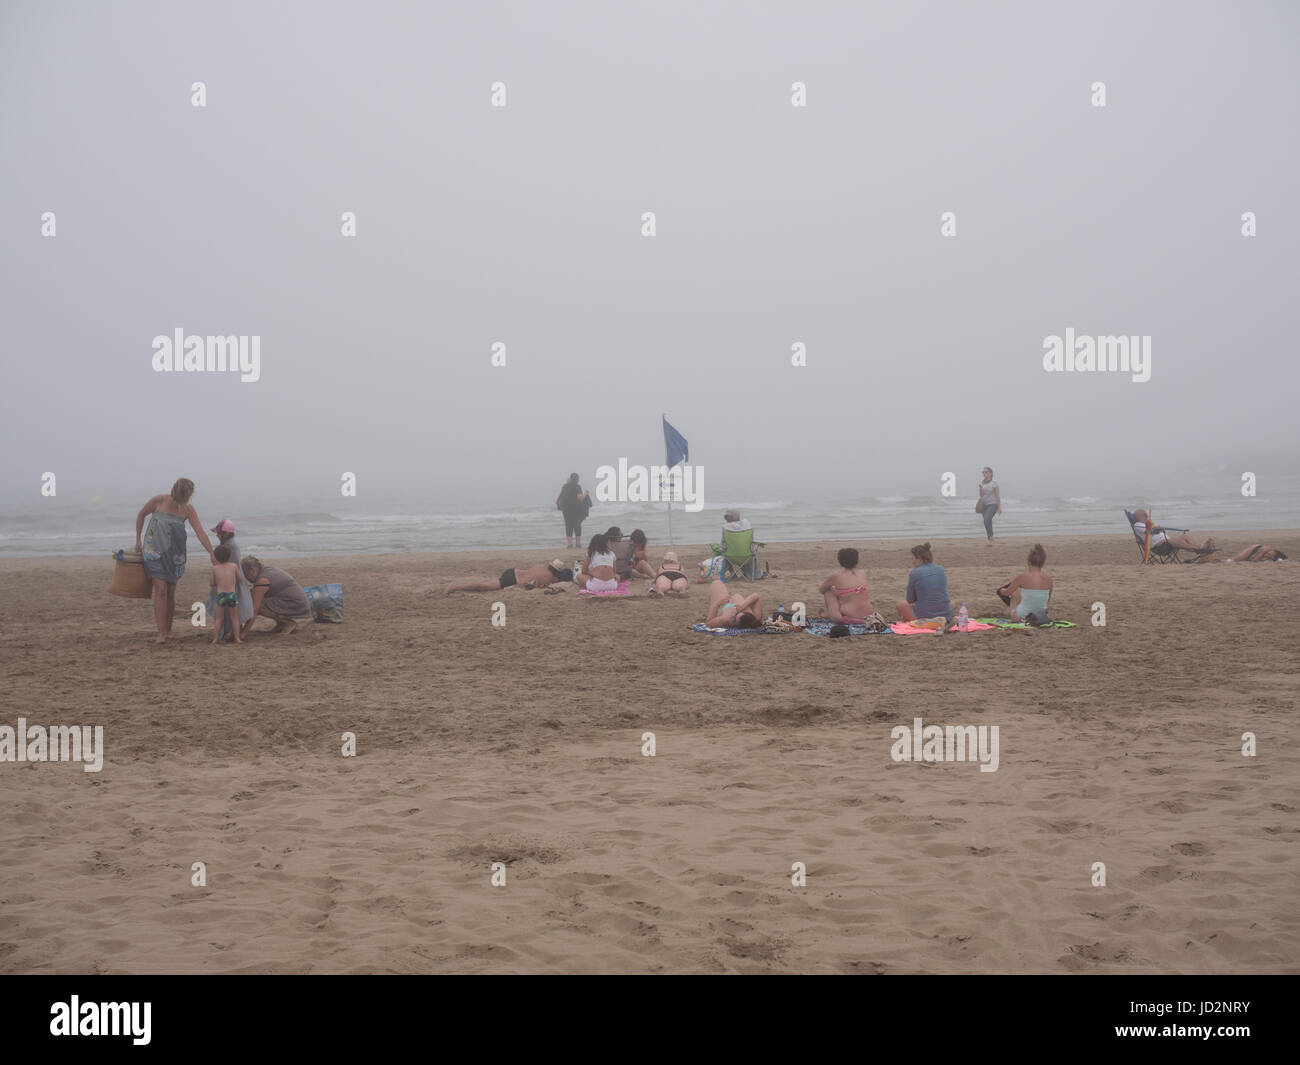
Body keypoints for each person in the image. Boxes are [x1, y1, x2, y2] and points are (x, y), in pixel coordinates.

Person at [135, 478, 215, 643]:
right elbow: (141, 515)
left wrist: (212, 552)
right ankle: (161, 633)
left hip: (175, 554)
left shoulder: (188, 509)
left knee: (171, 592)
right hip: (154, 552)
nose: (188, 499)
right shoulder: (159, 501)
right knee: (160, 590)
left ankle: (168, 630)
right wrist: (138, 540)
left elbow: (200, 532)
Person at [204, 519, 253, 642]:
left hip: (224, 589)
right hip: (232, 590)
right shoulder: (231, 545)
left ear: (224, 534)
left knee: (221, 616)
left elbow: (212, 582)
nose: (217, 535)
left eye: (219, 533)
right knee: (234, 615)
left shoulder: (229, 546)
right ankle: (236, 636)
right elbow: (239, 576)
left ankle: (220, 636)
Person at [240, 556, 313, 634]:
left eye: (246, 576)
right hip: (293, 600)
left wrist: (243, 633)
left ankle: (288, 623)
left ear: (252, 570)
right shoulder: (265, 569)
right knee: (253, 596)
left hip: (296, 603)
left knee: (258, 606)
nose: (248, 580)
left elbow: (255, 609)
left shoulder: (262, 580)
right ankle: (281, 623)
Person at [895, 542, 954, 623]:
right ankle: (943, 618)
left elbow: (910, 600)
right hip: (945, 615)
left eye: (913, 559)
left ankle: (921, 621)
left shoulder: (914, 573)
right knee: (952, 603)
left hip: (924, 616)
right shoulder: (941, 569)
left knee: (900, 605)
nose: (912, 562)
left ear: (919, 558)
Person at [444, 559, 572, 594]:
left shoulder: (541, 567)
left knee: (487, 583)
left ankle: (456, 586)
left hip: (512, 572)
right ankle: (455, 587)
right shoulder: (548, 578)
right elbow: (535, 586)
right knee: (482, 587)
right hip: (512, 580)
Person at [997, 543, 1054, 621]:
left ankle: (1010, 610)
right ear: (1042, 564)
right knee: (1025, 594)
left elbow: (1007, 593)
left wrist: (1001, 589)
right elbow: (1047, 599)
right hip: (1041, 615)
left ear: (1028, 562)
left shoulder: (1022, 577)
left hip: (1021, 615)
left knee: (1014, 592)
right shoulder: (1049, 579)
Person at [819, 547, 874, 623]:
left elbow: (821, 589)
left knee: (828, 592)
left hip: (849, 616)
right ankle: (827, 613)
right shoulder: (862, 573)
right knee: (848, 593)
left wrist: (832, 589)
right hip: (868, 616)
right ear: (856, 561)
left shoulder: (836, 577)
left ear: (840, 561)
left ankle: (832, 614)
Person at [1131, 509, 1218, 557]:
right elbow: (1149, 531)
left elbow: (1152, 529)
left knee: (1186, 535)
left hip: (1166, 542)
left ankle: (1200, 547)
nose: (1147, 517)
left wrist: (1158, 528)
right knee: (1178, 540)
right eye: (1145, 515)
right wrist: (1157, 529)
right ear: (1141, 516)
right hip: (1160, 547)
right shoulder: (1138, 525)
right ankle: (1200, 549)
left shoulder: (1147, 524)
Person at [209, 545, 243, 645]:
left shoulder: (215, 568)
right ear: (229, 556)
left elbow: (212, 584)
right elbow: (240, 579)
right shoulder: (233, 566)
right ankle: (237, 638)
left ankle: (215, 639)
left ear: (216, 557)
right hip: (231, 594)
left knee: (219, 618)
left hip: (221, 595)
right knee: (234, 618)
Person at [556, 473, 591, 549]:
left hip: (566, 509)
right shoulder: (577, 486)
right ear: (577, 479)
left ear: (570, 478)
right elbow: (580, 498)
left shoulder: (565, 486)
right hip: (576, 509)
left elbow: (558, 499)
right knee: (577, 525)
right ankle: (578, 544)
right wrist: (586, 493)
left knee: (568, 525)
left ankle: (569, 544)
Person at [977, 468, 1001, 546]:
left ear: (990, 473)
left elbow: (997, 496)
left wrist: (999, 507)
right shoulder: (982, 483)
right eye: (983, 472)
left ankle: (990, 536)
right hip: (984, 505)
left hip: (993, 504)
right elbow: (981, 495)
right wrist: (980, 488)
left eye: (986, 472)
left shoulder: (994, 483)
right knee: (987, 521)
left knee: (986, 519)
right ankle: (990, 537)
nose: (984, 473)